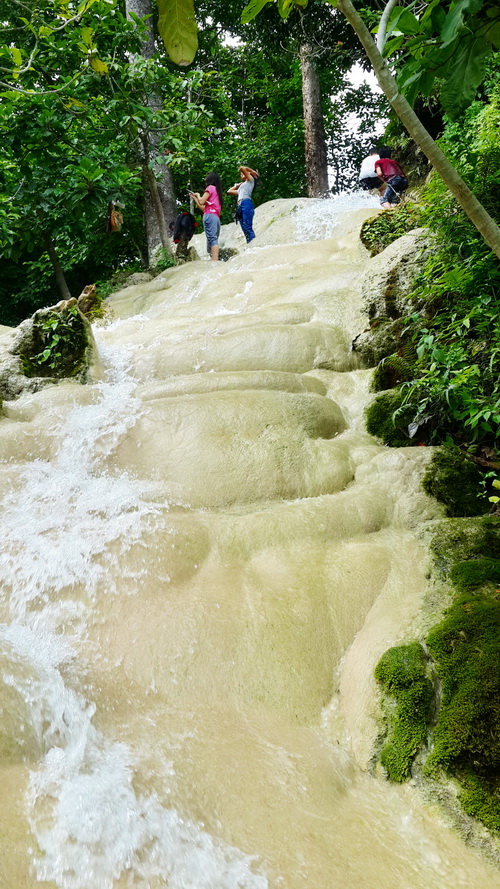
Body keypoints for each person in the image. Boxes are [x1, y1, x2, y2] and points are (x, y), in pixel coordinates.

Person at [189, 172, 223, 260]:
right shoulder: (218, 193)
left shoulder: (210, 188)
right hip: (216, 217)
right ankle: (214, 259)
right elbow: (204, 208)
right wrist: (195, 199)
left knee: (212, 239)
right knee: (213, 240)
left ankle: (214, 262)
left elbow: (202, 201)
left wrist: (198, 195)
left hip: (209, 216)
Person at [227, 165, 259, 243]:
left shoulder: (250, 180)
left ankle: (253, 243)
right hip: (240, 206)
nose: (241, 174)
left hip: (246, 202)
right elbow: (229, 191)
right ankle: (249, 242)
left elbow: (241, 168)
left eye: (243, 173)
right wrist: (237, 186)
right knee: (244, 228)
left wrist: (252, 171)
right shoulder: (242, 188)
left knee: (248, 226)